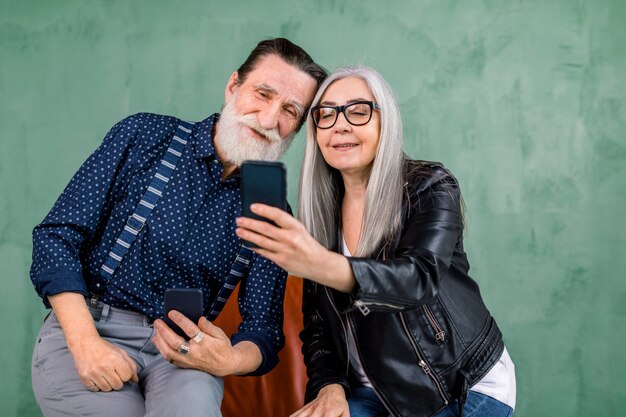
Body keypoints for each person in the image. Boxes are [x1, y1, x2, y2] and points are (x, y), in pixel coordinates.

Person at [29, 38, 326, 417]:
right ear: (233, 86)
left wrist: (228, 360)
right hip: (91, 328)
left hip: (186, 353)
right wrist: (86, 343)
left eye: (289, 110)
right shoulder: (145, 136)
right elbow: (56, 239)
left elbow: (263, 330)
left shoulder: (269, 207)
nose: (269, 120)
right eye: (262, 94)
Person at [235, 66, 516, 417]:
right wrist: (330, 387)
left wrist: (323, 265)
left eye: (358, 111)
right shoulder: (321, 216)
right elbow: (319, 329)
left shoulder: (430, 186)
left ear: (386, 123)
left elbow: (417, 278)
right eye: (326, 114)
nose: (341, 125)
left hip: (456, 385)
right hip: (374, 391)